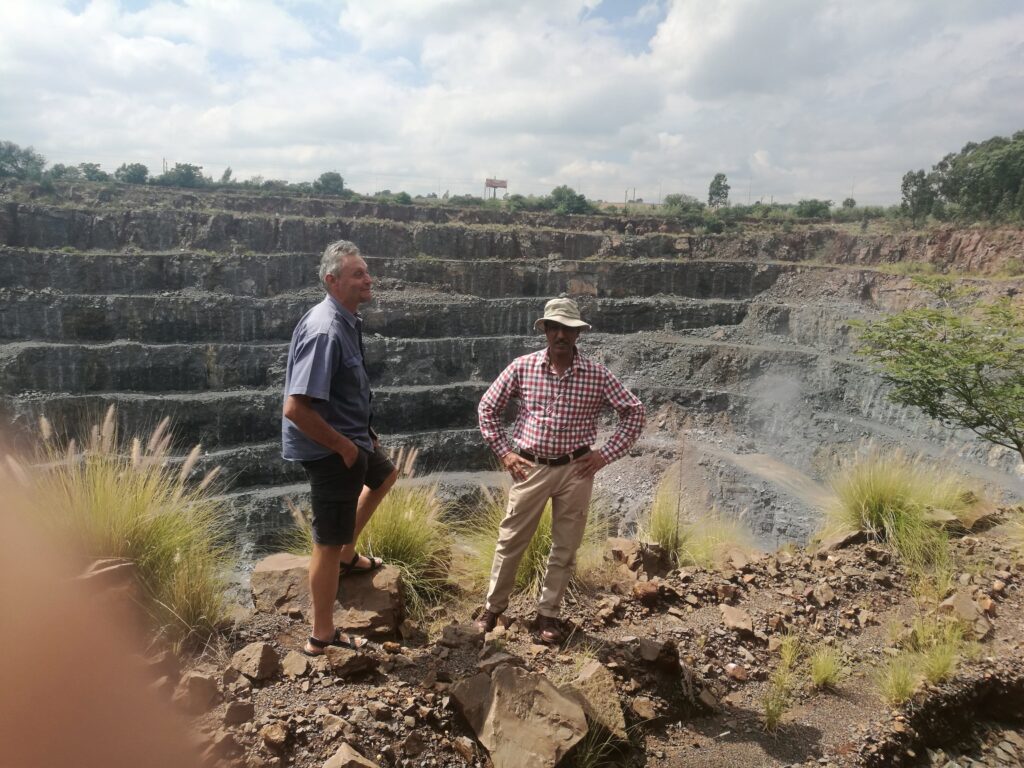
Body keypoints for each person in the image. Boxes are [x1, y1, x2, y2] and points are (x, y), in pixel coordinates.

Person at [476, 297, 645, 643]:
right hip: (530, 467)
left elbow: (634, 412)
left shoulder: (597, 374)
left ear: (577, 334)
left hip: (576, 470)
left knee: (565, 546)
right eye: (554, 327)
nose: (560, 335)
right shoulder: (522, 367)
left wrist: (604, 455)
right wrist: (505, 453)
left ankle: (548, 615)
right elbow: (487, 408)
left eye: (568, 329)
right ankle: (493, 608)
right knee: (511, 540)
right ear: (546, 331)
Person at [282, 239, 398, 656]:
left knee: (385, 473)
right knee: (326, 543)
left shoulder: (347, 318)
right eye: (357, 274)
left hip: (351, 435)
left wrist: (361, 432)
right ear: (332, 281)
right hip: (329, 450)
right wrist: (345, 448)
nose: (369, 279)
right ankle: (321, 634)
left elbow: (340, 389)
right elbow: (296, 408)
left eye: (367, 272)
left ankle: (349, 554)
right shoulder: (325, 329)